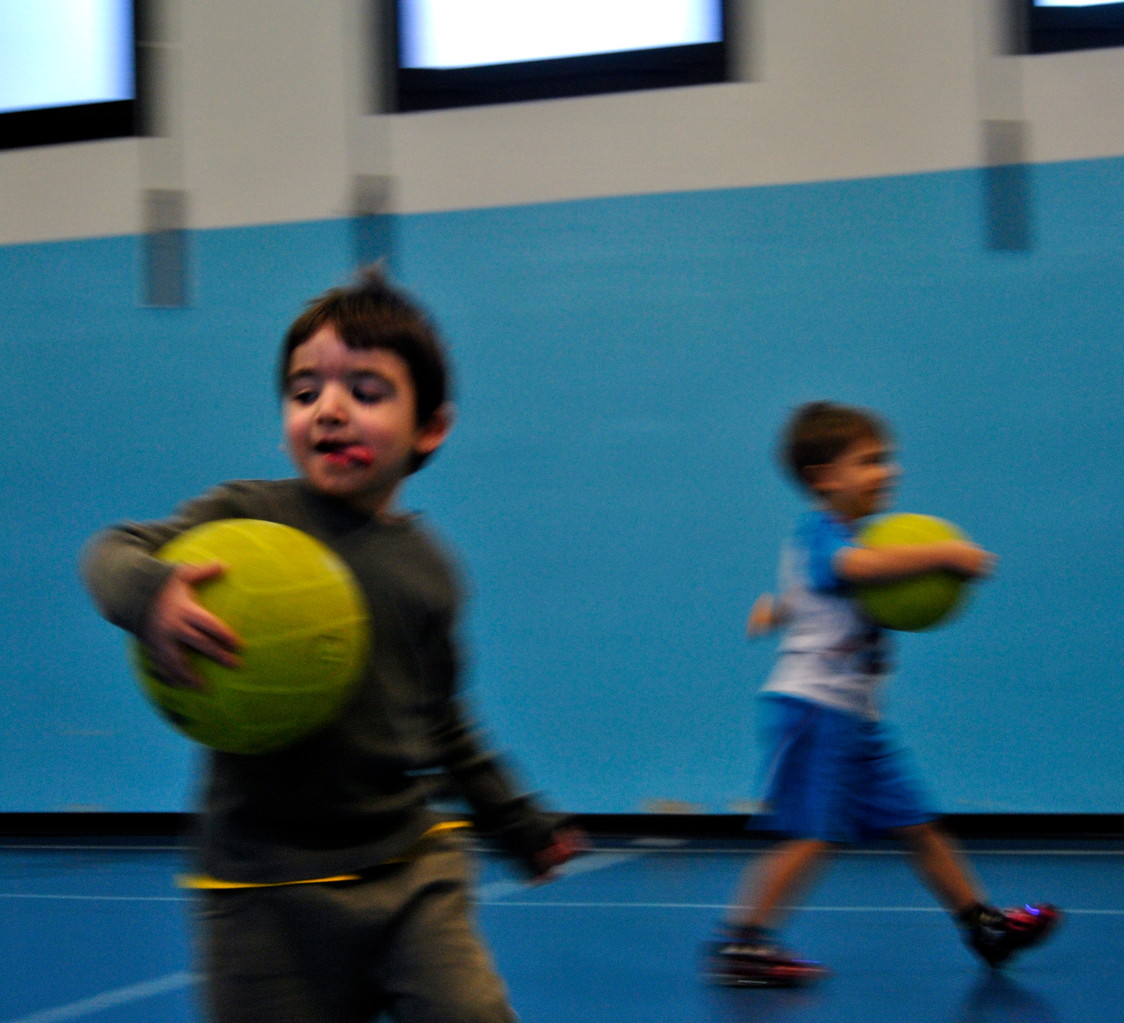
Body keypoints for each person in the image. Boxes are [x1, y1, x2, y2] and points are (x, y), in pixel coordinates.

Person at [82, 266, 583, 1022]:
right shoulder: (244, 518)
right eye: (305, 390)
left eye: (367, 390)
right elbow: (110, 549)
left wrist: (515, 820)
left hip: (409, 865)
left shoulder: (430, 571)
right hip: (262, 885)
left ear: (430, 429)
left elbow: (443, 719)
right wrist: (149, 595)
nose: (330, 410)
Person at [704, 400, 1059, 987]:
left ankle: (983, 926)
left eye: (887, 460)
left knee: (918, 824)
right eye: (869, 462)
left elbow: (816, 591)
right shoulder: (823, 531)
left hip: (855, 719)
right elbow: (854, 571)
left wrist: (779, 611)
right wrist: (945, 553)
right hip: (813, 710)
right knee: (812, 833)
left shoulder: (858, 537)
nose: (888, 472)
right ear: (824, 479)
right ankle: (743, 944)